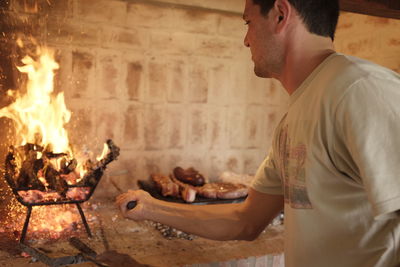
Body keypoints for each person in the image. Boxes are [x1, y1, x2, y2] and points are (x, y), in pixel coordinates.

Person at [116, 0, 400, 266]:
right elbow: (245, 219)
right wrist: (152, 208)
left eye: (248, 23)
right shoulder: (296, 115)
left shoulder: (359, 89)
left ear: (280, 14)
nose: (246, 39)